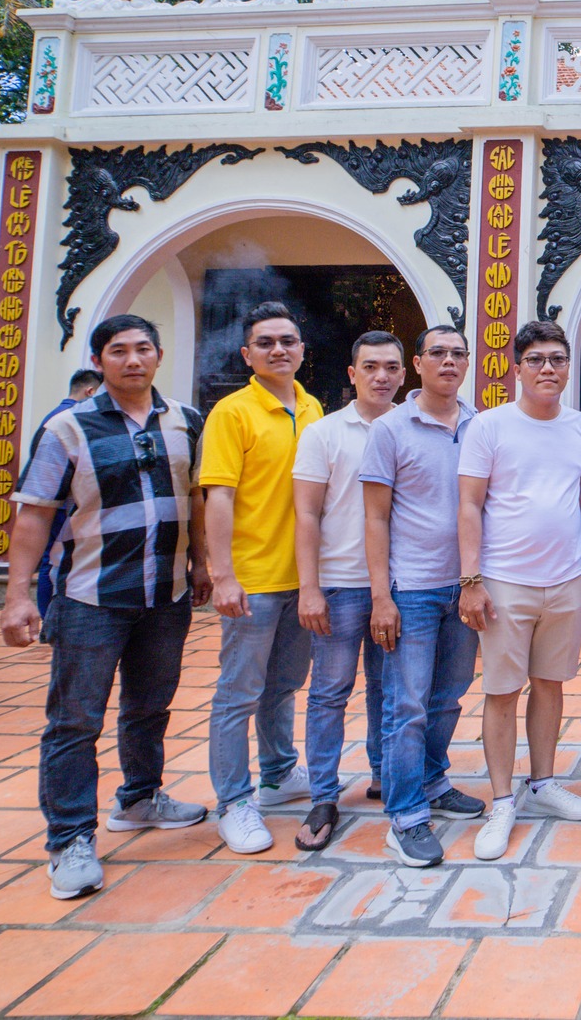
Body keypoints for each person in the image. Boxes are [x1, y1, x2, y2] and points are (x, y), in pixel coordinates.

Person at [1, 315, 209, 899]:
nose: (133, 360)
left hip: (164, 594)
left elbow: (198, 499)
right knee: (75, 721)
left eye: (143, 348)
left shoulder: (186, 422)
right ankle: (69, 838)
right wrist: (18, 595)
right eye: (119, 351)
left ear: (159, 355)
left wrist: (201, 564)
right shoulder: (67, 428)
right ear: (99, 361)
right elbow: (36, 511)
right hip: (90, 594)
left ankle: (140, 798)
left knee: (149, 706)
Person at [458, 320, 581, 860]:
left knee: (550, 684)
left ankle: (543, 783)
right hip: (503, 582)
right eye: (537, 359)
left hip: (565, 580)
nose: (548, 368)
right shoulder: (489, 427)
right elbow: (469, 504)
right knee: (501, 691)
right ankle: (501, 800)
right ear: (516, 367)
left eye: (558, 359)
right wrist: (471, 580)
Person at [355, 327, 489, 866]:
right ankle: (406, 814)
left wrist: (477, 579)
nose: (449, 361)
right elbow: (374, 516)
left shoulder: (481, 425)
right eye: (437, 353)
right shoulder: (390, 429)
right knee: (405, 705)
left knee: (447, 696)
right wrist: (380, 596)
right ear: (417, 363)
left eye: (459, 353)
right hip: (410, 588)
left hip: (465, 586)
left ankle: (433, 782)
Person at [202, 301, 325, 855]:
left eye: (288, 341)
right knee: (239, 693)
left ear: (302, 350)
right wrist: (221, 575)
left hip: (304, 578)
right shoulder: (232, 413)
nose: (279, 350)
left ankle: (277, 774)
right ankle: (233, 801)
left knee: (283, 684)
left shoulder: (313, 406)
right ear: (248, 354)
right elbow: (219, 497)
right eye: (267, 342)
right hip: (252, 578)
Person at [292, 331, 406, 851]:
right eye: (370, 367)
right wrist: (309, 587)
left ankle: (384, 774)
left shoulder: (414, 427)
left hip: (401, 584)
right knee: (330, 692)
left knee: (390, 688)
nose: (381, 376)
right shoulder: (325, 433)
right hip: (340, 584)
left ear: (406, 373)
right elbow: (307, 513)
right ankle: (323, 792)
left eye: (391, 367)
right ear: (352, 373)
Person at [30, 368, 104, 616]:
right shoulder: (69, 420)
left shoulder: (53, 415)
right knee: (51, 562)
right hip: (63, 507)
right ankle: (47, 615)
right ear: (90, 391)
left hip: (61, 506)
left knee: (50, 560)